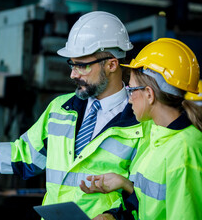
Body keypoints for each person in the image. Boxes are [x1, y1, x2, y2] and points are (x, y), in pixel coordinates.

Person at [0, 11, 142, 218]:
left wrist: (114, 218)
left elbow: (149, 196)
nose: (72, 74)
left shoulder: (141, 122)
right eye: (71, 64)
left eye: (82, 66)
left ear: (112, 64)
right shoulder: (60, 109)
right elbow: (24, 156)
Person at [80, 38, 202, 220]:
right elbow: (151, 205)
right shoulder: (158, 136)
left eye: (131, 90)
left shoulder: (183, 150)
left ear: (150, 94)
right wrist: (125, 186)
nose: (129, 100)